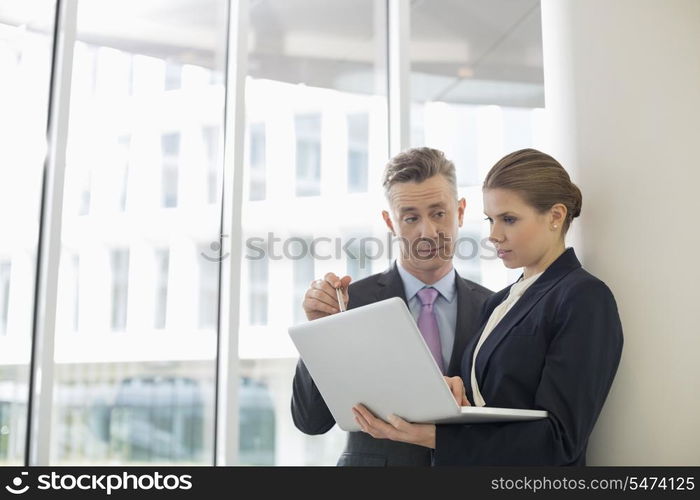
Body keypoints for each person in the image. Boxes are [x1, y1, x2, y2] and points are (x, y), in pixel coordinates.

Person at [352, 148, 624, 465]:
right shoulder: (499, 302)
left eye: (509, 219)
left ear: (556, 216)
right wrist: (455, 389)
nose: (494, 235)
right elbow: (494, 405)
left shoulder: (583, 297)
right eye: (490, 220)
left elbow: (560, 440)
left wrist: (434, 436)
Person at [291, 147, 493, 466]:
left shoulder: (494, 308)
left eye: (438, 213)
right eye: (411, 218)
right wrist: (318, 332)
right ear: (390, 221)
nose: (427, 231)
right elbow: (310, 421)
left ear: (461, 211)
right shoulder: (350, 303)